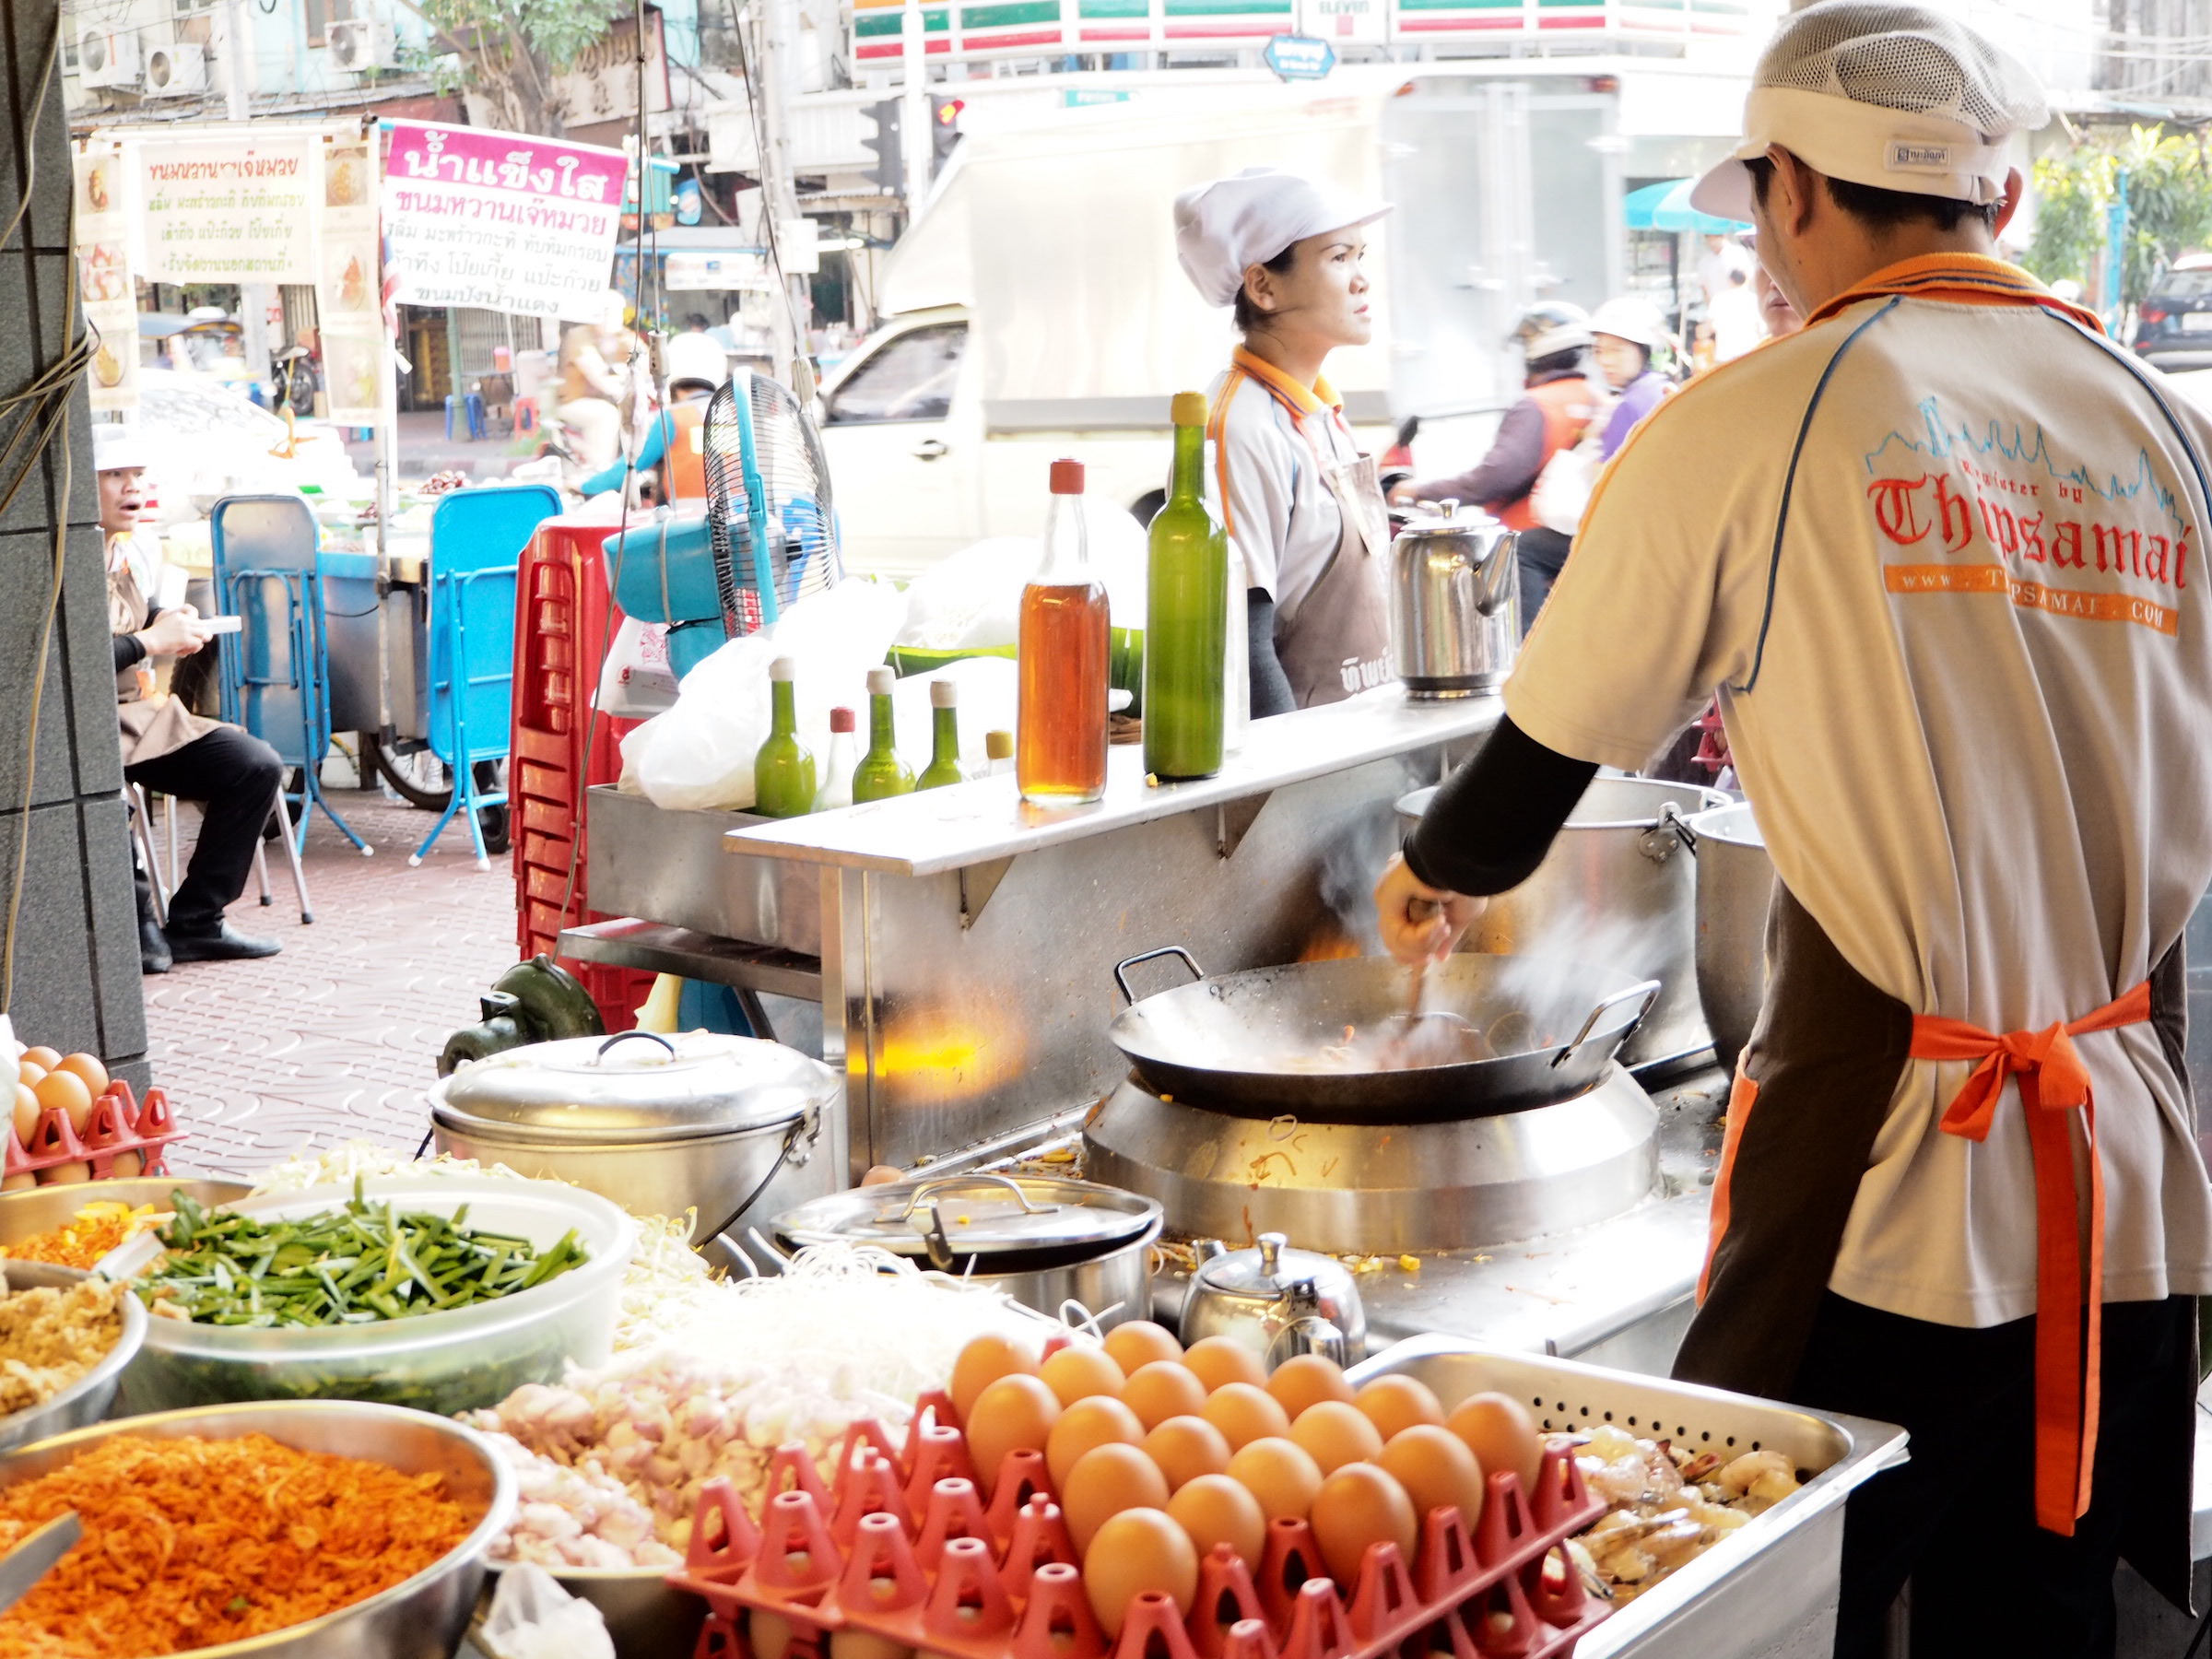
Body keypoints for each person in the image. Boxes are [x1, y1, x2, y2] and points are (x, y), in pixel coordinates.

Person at [1375, 6, 2211, 1655]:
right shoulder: (2161, 426)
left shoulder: (1758, 416)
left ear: (1792, 197)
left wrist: (1435, 878)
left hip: (1887, 1161)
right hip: (2124, 1159)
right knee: (2038, 1614)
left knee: (1750, 1596)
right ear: (2009, 203)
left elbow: (1544, 750)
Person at [1174, 168, 1395, 712]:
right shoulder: (1236, 426)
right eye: (1339, 257)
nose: (1361, 279)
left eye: (1361, 257)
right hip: (1311, 759)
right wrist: (1292, 777)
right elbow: (1243, 647)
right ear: (1263, 287)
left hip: (1366, 741)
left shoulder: (1325, 413)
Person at [100, 427, 284, 969]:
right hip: (82, 726)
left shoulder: (132, 549)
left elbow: (145, 613)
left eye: (136, 475)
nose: (131, 487)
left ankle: (198, 921)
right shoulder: (61, 557)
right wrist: (150, 642)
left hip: (143, 713)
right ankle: (133, 926)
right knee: (105, 800)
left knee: (254, 765)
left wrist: (173, 622)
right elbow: (66, 661)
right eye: (114, 475)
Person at [1387, 304, 1604, 634]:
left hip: (1528, 545)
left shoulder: (1535, 405)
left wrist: (1417, 490)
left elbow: (1493, 478)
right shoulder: (1596, 399)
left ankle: (1519, 661)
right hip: (1583, 540)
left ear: (1535, 354)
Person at [579, 332, 726, 504]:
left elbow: (628, 470)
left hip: (683, 526)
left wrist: (582, 486)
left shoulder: (674, 418)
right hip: (737, 524)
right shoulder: (736, 416)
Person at [555, 290, 640, 478]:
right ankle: (600, 472)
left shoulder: (623, 336)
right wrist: (623, 390)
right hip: (572, 402)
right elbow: (596, 374)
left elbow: (647, 359)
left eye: (619, 311)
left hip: (613, 397)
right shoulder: (579, 336)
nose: (614, 316)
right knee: (605, 414)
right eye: (609, 311)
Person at [1586, 298, 1673, 459]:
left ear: (1645, 352)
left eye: (1616, 350)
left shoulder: (1629, 406)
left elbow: (1605, 478)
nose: (1605, 361)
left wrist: (1591, 440)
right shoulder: (1660, 388)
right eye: (1599, 350)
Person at [1707, 265, 1765, 361]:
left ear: (1730, 280)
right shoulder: (1754, 299)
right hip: (1750, 353)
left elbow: (1710, 327)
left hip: (1725, 355)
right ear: (1747, 280)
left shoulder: (1719, 299)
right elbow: (1761, 329)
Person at [1696, 231, 1752, 304]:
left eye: (1715, 239)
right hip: (1716, 307)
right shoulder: (1704, 261)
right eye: (1710, 240)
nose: (1712, 243)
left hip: (1738, 303)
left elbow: (1747, 276)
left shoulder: (1738, 253)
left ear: (1722, 236)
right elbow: (1704, 288)